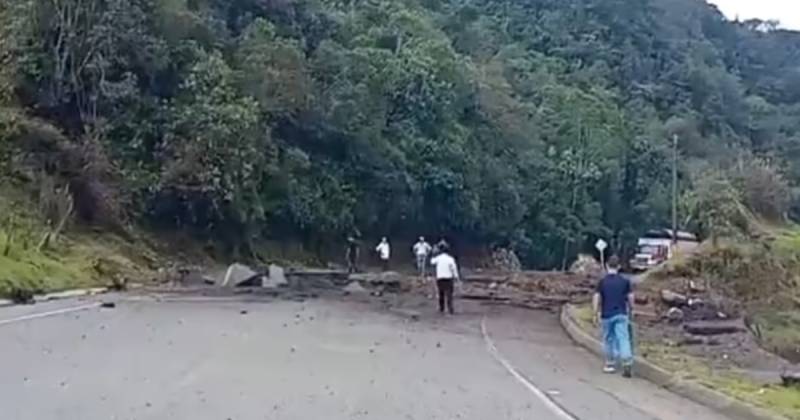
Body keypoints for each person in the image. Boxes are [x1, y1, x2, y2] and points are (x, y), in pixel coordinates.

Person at [592, 255, 635, 377]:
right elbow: (631, 298)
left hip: (606, 315)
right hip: (621, 313)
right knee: (623, 338)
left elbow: (597, 297)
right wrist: (632, 309)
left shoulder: (602, 282)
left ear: (606, 266)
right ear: (619, 267)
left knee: (608, 339)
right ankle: (626, 360)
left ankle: (610, 363)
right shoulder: (625, 281)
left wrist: (595, 313)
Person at [430, 244, 459, 314]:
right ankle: (450, 309)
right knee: (449, 294)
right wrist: (456, 276)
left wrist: (433, 253)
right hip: (448, 278)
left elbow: (432, 262)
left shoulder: (438, 258)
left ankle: (441, 308)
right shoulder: (450, 259)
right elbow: (454, 268)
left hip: (440, 278)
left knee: (441, 293)